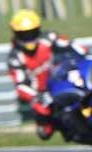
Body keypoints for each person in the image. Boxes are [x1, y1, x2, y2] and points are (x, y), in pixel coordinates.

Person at [7, 9, 88, 140]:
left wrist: (84, 53)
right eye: (24, 34)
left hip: (60, 78)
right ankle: (60, 126)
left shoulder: (49, 37)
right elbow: (20, 85)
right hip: (42, 92)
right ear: (16, 34)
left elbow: (70, 45)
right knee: (44, 131)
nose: (29, 38)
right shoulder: (15, 57)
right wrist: (36, 97)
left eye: (32, 33)